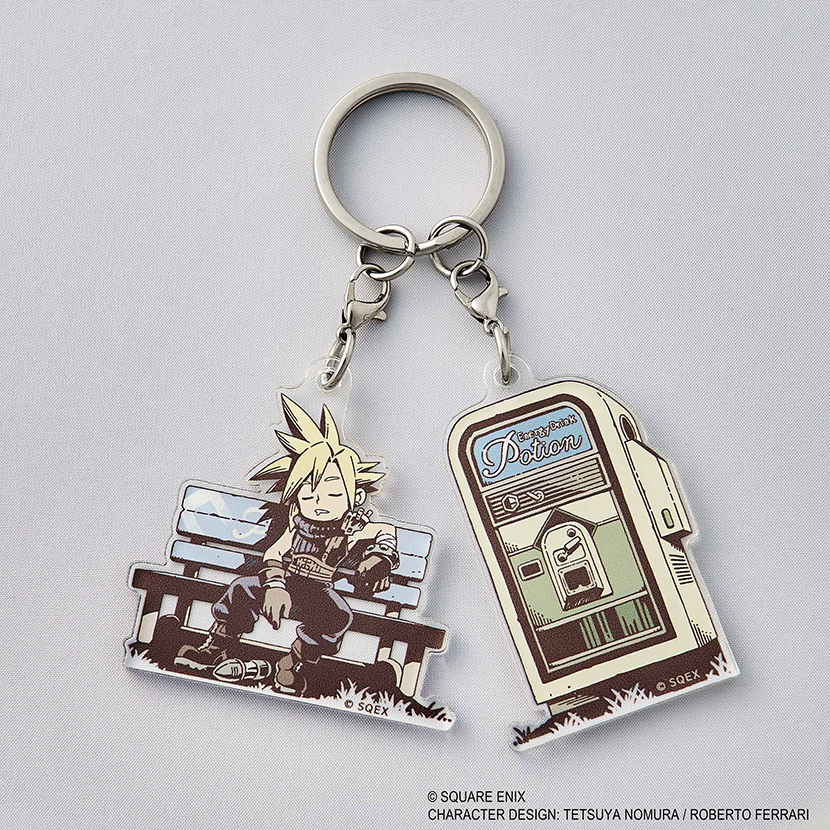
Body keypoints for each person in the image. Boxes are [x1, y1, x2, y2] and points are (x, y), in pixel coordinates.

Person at [174, 395, 398, 694]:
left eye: (333, 495)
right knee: (241, 588)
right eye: (309, 495)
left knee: (339, 615)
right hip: (285, 584)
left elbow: (385, 530)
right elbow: (275, 552)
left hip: (318, 593)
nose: (319, 504)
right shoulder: (297, 524)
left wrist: (381, 558)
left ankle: (293, 664)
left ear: (355, 497)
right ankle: (215, 648)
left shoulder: (353, 528)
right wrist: (275, 586)